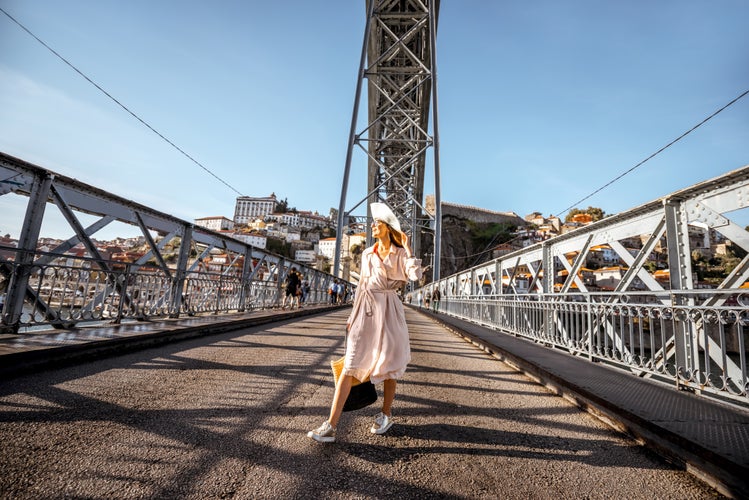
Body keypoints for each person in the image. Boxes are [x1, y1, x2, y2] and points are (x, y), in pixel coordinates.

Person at [308, 202, 422, 443]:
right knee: (350, 365)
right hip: (366, 312)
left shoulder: (400, 253)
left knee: (389, 367)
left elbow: (415, 276)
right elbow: (361, 287)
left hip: (390, 312)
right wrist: (351, 317)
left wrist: (409, 249)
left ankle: (385, 414)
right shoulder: (368, 253)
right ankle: (330, 425)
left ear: (388, 228)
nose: (373, 226)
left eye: (377, 223)